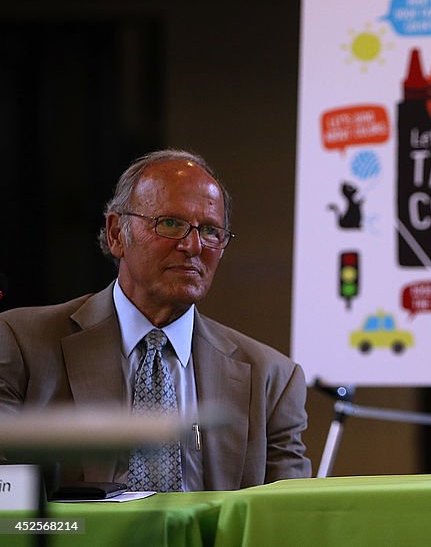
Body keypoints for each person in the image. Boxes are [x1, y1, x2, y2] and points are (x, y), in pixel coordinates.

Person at [0, 149, 312, 490]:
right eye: (171, 224)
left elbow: (289, 518)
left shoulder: (272, 380)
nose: (193, 246)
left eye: (210, 231)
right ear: (118, 234)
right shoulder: (21, 342)